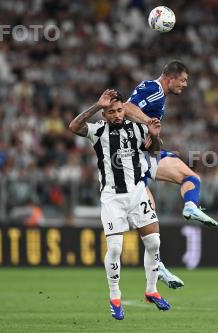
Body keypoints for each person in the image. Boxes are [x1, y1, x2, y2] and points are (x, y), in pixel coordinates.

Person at [69, 89, 170, 320]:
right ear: (104, 115)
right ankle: (115, 297)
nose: (116, 115)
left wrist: (154, 135)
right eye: (111, 112)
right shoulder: (98, 131)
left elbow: (154, 151)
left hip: (137, 194)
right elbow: (74, 127)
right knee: (115, 249)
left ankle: (152, 290)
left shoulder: (137, 128)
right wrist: (96, 105)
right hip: (113, 198)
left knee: (154, 242)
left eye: (119, 110)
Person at [123, 60, 218, 289]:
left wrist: (153, 137)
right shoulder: (154, 89)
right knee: (150, 223)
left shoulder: (158, 94)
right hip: (129, 160)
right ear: (170, 78)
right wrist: (147, 122)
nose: (185, 85)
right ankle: (159, 268)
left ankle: (190, 207)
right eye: (183, 80)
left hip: (145, 154)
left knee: (191, 177)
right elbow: (125, 108)